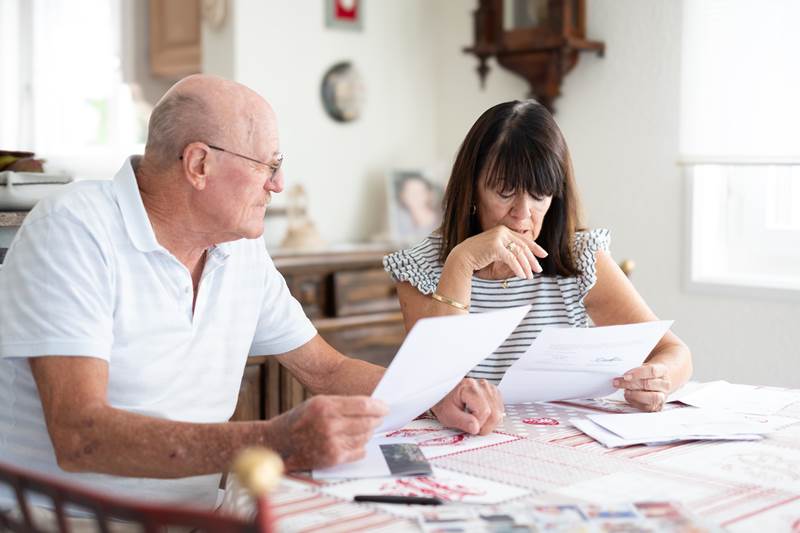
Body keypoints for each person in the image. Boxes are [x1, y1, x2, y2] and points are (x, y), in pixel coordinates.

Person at [0, 75, 504, 512]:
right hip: (66, 519)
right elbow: (80, 436)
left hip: (201, 515)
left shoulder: (238, 249)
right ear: (199, 164)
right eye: (269, 165)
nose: (279, 184)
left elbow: (325, 370)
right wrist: (271, 440)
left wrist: (435, 394)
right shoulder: (73, 228)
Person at [384, 100, 692, 412]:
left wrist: (658, 378)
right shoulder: (420, 268)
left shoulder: (579, 259)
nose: (522, 214)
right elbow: (429, 387)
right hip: (467, 435)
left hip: (565, 434)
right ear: (473, 187)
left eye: (539, 195)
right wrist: (461, 262)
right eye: (504, 192)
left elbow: (674, 351)